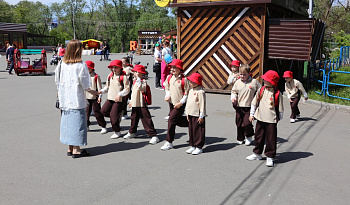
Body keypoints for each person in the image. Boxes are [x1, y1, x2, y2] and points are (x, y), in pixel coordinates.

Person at [54, 39, 99, 158]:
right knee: (77, 124)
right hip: (76, 99)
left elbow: (57, 81)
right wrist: (94, 91)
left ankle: (70, 147)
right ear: (78, 50)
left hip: (65, 98)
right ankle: (76, 149)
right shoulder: (80, 65)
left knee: (67, 123)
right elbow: (85, 84)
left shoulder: (61, 63)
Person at [247, 70, 284, 167]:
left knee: (271, 139)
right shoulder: (261, 90)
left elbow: (280, 109)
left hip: (271, 120)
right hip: (260, 118)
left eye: (266, 79)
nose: (264, 81)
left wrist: (279, 118)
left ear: (272, 82)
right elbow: (254, 103)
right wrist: (252, 114)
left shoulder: (277, 93)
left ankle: (270, 156)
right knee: (258, 137)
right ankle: (257, 153)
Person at [123, 64, 159, 144]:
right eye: (134, 72)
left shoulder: (143, 82)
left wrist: (138, 79)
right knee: (134, 118)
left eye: (136, 72)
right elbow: (133, 93)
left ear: (140, 73)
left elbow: (141, 88)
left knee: (146, 119)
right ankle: (132, 132)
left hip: (141, 103)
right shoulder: (135, 81)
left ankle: (153, 135)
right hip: (135, 103)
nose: (134, 73)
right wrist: (131, 102)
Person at [160, 59, 189, 151]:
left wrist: (181, 103)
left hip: (180, 104)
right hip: (171, 103)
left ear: (180, 69)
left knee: (171, 119)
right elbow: (167, 88)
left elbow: (186, 93)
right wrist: (167, 95)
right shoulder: (169, 77)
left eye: (174, 67)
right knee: (177, 120)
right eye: (171, 67)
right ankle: (192, 123)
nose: (172, 69)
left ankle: (169, 141)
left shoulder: (184, 80)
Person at [231, 64, 261, 146]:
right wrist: (234, 98)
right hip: (239, 106)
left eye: (244, 74)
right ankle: (240, 138)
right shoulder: (237, 82)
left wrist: (258, 100)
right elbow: (234, 91)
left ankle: (249, 135)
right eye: (241, 74)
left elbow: (260, 91)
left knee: (247, 123)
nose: (242, 76)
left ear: (248, 73)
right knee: (239, 122)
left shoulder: (254, 82)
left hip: (250, 106)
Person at [99, 60, 130, 139]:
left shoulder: (124, 76)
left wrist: (120, 94)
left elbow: (127, 89)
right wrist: (101, 91)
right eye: (112, 67)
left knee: (113, 118)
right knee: (103, 111)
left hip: (118, 100)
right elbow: (107, 87)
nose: (113, 69)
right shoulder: (110, 75)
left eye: (116, 67)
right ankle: (116, 117)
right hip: (110, 97)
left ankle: (117, 131)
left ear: (120, 68)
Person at [185, 73, 206, 155]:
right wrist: (187, 113)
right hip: (190, 113)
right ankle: (192, 145)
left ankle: (199, 146)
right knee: (191, 130)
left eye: (192, 82)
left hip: (197, 114)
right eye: (190, 82)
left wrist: (201, 115)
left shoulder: (200, 92)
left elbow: (202, 104)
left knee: (198, 131)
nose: (190, 83)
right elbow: (188, 103)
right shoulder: (191, 90)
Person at [85, 60, 107, 134]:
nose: (87, 69)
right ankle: (86, 126)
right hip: (86, 97)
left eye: (88, 68)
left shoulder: (96, 76)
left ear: (92, 68)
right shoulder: (84, 76)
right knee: (86, 113)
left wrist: (100, 96)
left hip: (94, 97)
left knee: (97, 112)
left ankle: (103, 126)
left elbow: (100, 88)